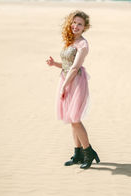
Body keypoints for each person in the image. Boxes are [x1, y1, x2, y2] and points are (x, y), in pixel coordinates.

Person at [46, 10, 100, 169]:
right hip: (66, 79)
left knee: (75, 119)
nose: (76, 26)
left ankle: (88, 152)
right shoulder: (70, 41)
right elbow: (67, 65)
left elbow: (75, 67)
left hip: (75, 82)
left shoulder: (83, 44)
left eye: (80, 24)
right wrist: (54, 64)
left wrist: (64, 86)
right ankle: (78, 154)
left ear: (85, 27)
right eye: (74, 23)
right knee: (71, 119)